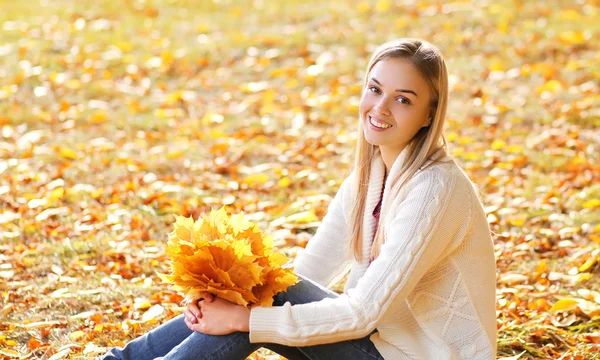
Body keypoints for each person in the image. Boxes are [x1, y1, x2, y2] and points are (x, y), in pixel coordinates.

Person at [100, 38, 497, 360]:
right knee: (264, 290)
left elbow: (361, 313)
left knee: (263, 307)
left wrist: (245, 319)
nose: (380, 107)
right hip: (380, 345)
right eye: (375, 89)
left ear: (429, 114)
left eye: (403, 99)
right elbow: (302, 276)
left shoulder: (434, 188)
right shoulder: (370, 177)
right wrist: (221, 301)